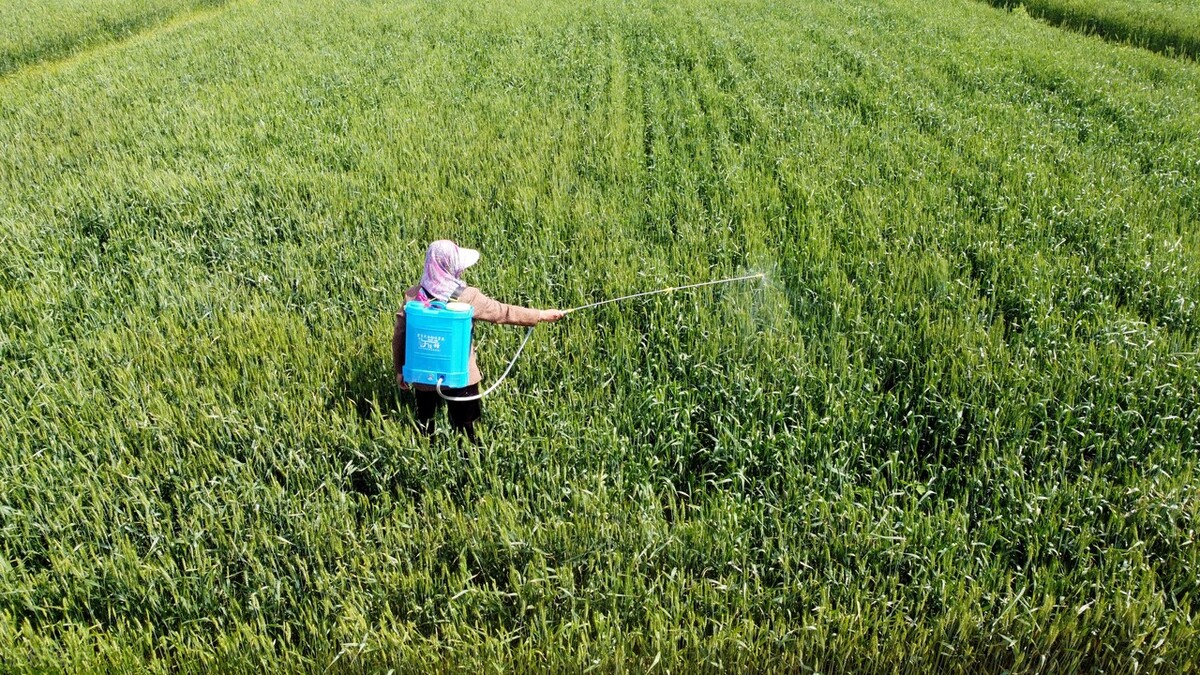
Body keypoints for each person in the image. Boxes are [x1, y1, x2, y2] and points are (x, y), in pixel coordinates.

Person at [393, 240, 565, 443]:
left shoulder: (413, 297)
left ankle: (429, 457)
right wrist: (540, 315)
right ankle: (470, 464)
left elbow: (399, 336)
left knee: (425, 425)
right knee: (468, 430)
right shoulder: (467, 297)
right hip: (461, 378)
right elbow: (503, 312)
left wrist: (400, 370)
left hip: (424, 378)